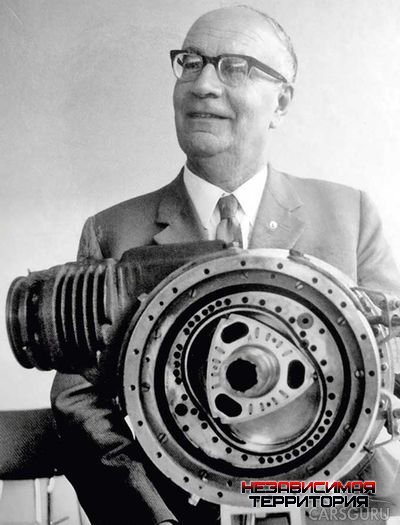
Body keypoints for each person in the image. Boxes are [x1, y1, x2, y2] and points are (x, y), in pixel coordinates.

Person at [51, 5, 400, 524]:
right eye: (191, 63)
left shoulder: (350, 216)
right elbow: (80, 404)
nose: (203, 85)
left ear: (281, 102)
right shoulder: (112, 233)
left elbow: (391, 375)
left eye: (235, 67)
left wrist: (326, 510)